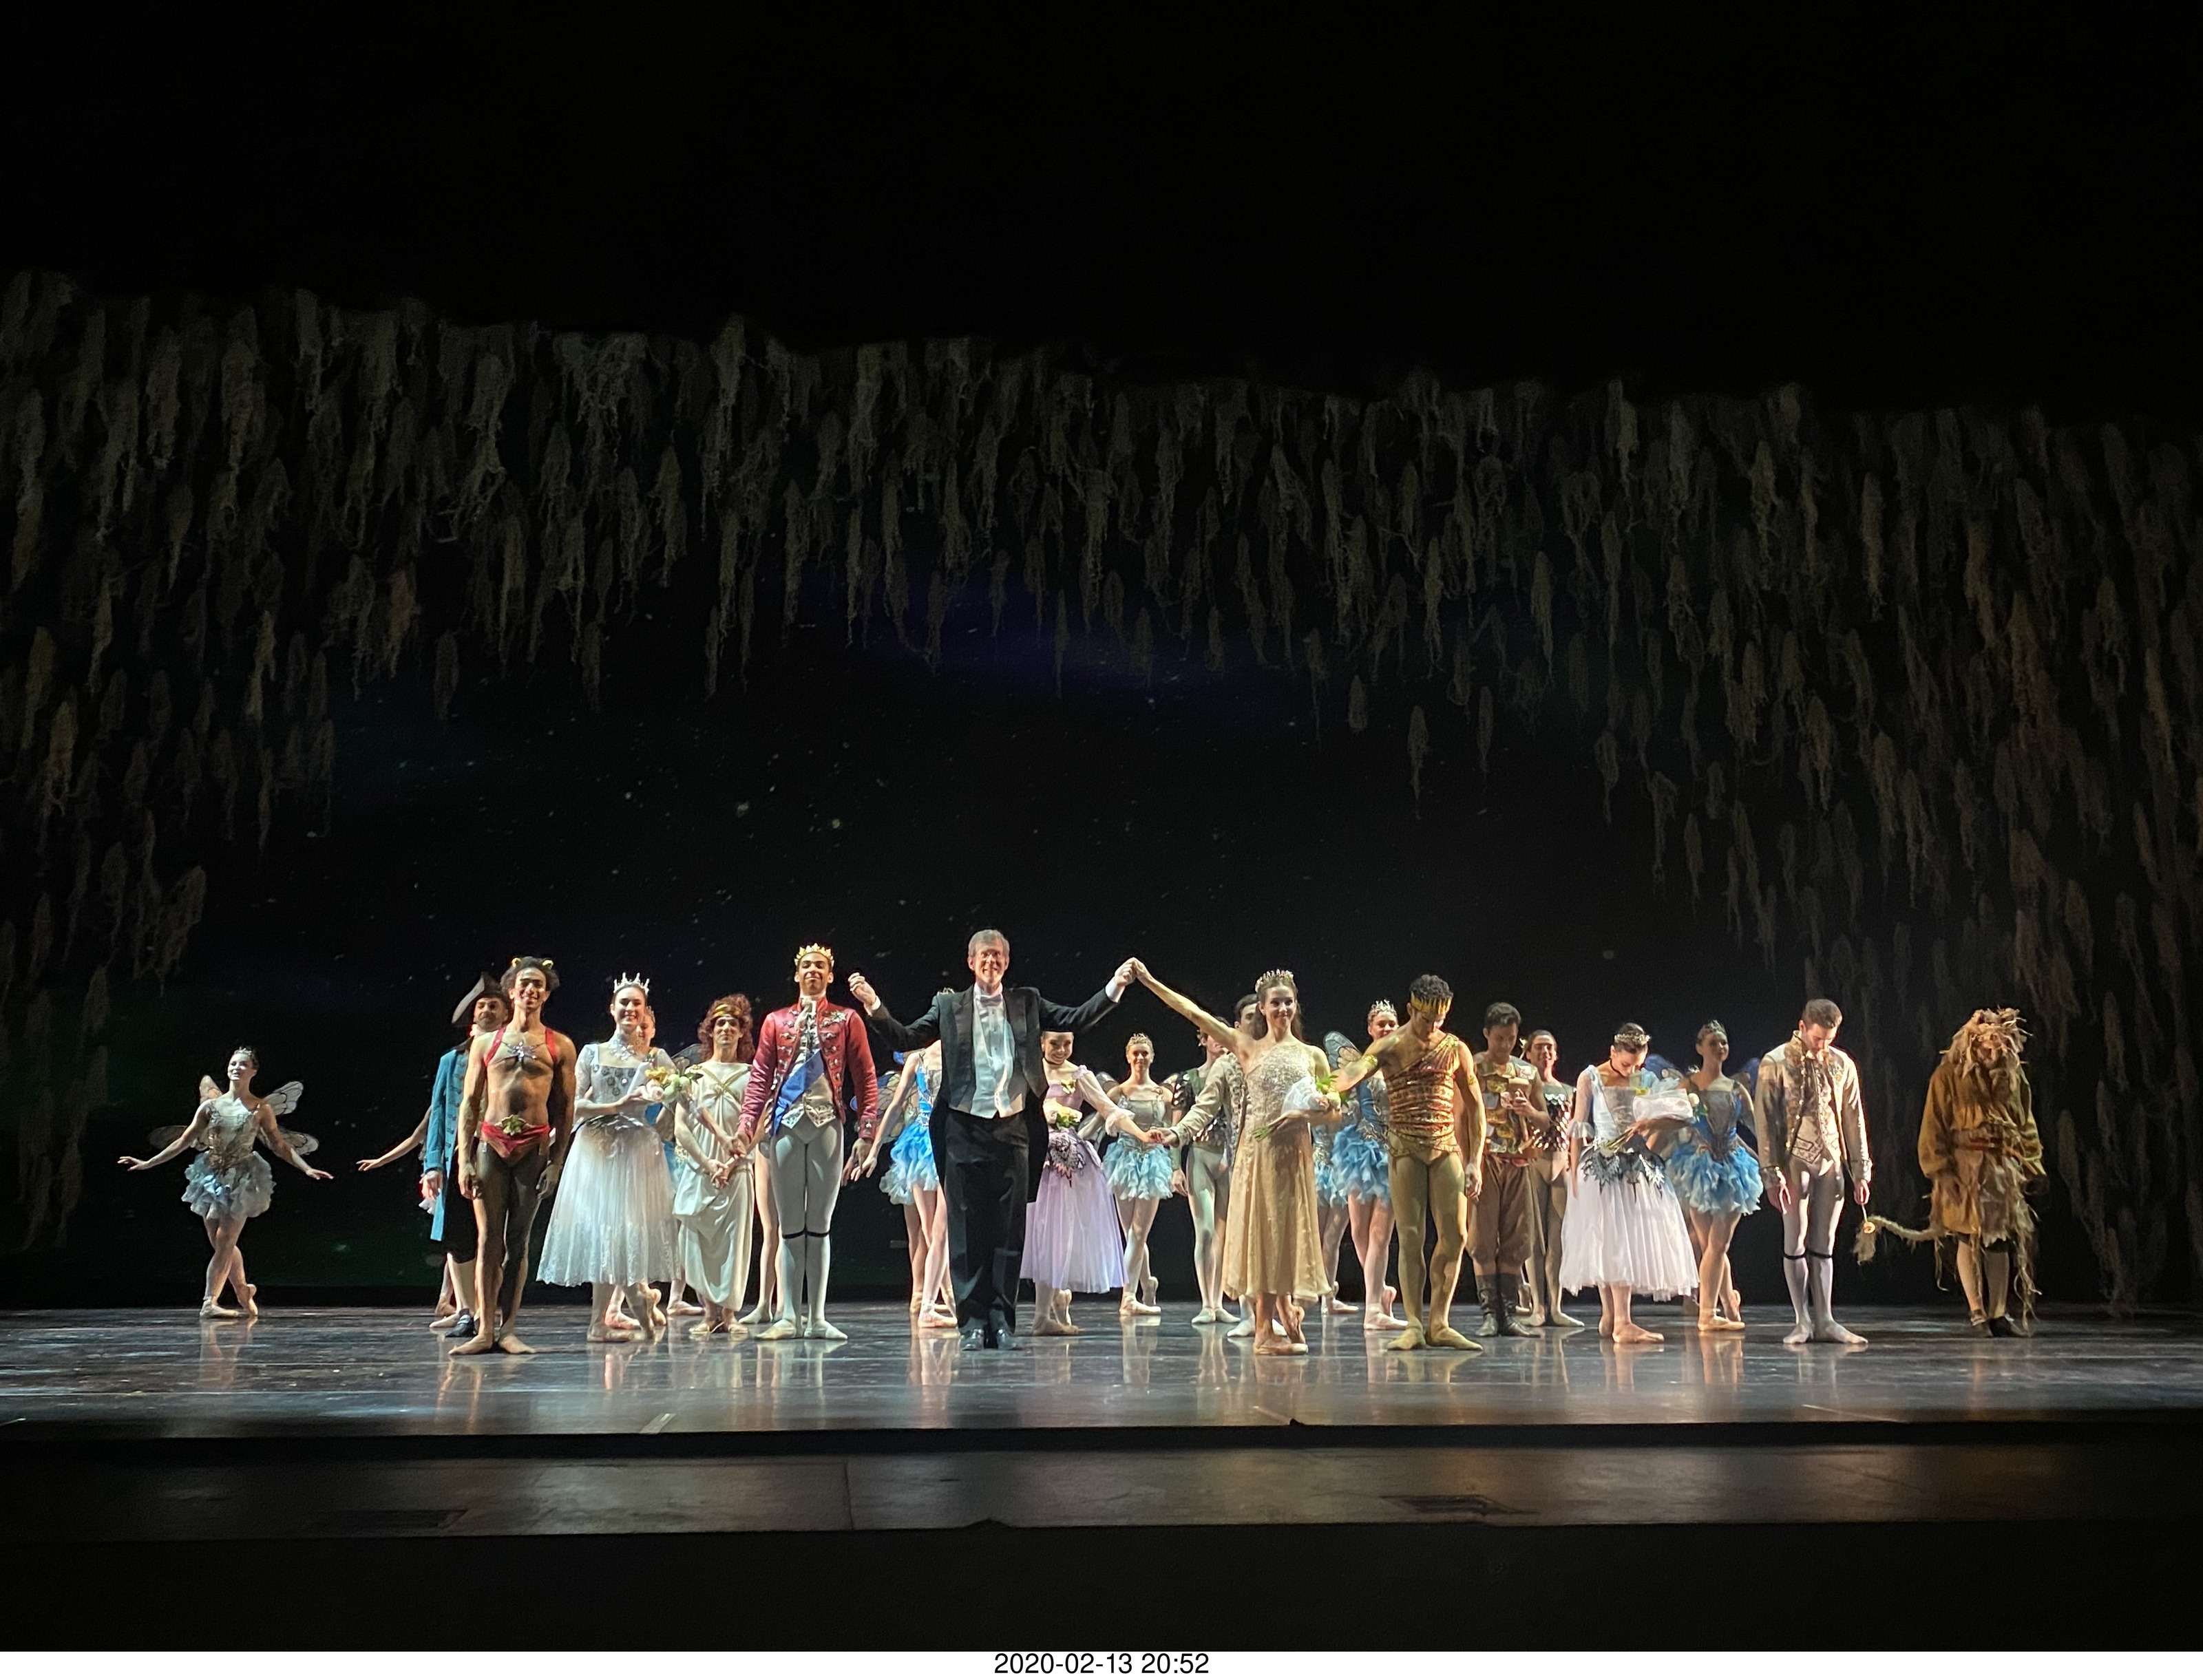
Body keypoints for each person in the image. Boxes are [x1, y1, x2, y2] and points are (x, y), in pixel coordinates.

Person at [849, 931, 1132, 1352]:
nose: (991, 962)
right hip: (963, 1128)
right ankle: (972, 1325)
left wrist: (1115, 986)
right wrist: (873, 1004)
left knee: (1008, 1230)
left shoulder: (1026, 1002)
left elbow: (1075, 1018)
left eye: (998, 956)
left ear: (1007, 961)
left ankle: (1002, 1323)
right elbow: (906, 1038)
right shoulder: (949, 1007)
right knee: (966, 1229)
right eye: (984, 955)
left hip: (1014, 1127)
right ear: (970, 961)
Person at [1131, 962, 1340, 1357]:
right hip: (1258, 1154)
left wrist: (1307, 1111)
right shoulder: (1246, 1048)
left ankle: (1285, 1310)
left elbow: (1334, 1112)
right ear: (1262, 1008)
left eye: (1289, 1002)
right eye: (1275, 1003)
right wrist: (1150, 981)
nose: (1283, 1009)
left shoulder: (1312, 1055)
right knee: (1264, 1233)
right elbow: (1194, 1013)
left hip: (1295, 1155)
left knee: (1289, 1233)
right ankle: (1263, 1330)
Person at [120, 1047, 332, 1317]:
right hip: (211, 1176)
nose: (236, 1068)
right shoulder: (210, 1107)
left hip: (242, 1178)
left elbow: (279, 1145)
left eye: (243, 1064)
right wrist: (148, 1162)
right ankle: (242, 1289)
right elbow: (184, 1141)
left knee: (225, 1241)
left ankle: (210, 1302)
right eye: (233, 1064)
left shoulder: (260, 1108)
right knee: (220, 1243)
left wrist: (306, 1168)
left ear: (253, 1071)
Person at [1334, 974, 1484, 1352]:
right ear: (1411, 1009)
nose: (1432, 1026)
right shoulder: (1391, 1045)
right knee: (1411, 1236)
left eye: (1439, 1019)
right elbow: (1357, 1070)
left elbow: (1476, 1107)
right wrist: (1328, 1088)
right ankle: (1415, 1323)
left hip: (1445, 1146)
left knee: (1456, 1236)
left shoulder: (1455, 1048)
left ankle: (1440, 1322)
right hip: (1405, 1150)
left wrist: (1475, 1161)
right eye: (1425, 1018)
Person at [355, 974, 511, 1338]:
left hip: (498, 1154)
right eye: (482, 1006)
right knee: (457, 1238)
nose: (487, 1010)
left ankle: (488, 1310)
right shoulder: (451, 1061)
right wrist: (433, 1165)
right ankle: (466, 1311)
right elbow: (439, 1114)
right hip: (458, 1157)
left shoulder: (511, 1056)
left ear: (506, 1014)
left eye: (494, 1005)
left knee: (493, 1238)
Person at [738, 944, 881, 1341]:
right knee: (788, 1225)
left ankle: (817, 1317)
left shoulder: (847, 1019)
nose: (813, 971)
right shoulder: (776, 1021)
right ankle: (788, 1317)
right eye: (806, 966)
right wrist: (746, 1126)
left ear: (830, 976)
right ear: (797, 974)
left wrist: (867, 1132)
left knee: (819, 1225)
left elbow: (866, 1076)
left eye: (820, 966)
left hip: (827, 1126)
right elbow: (760, 1077)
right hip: (785, 1126)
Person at [537, 975, 679, 1343]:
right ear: (612, 1008)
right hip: (598, 1151)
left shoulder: (656, 1058)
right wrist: (616, 1106)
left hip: (637, 1153)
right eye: (624, 1003)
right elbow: (573, 1107)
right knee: (605, 1232)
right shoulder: (592, 1053)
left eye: (637, 1004)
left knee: (627, 1229)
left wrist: (663, 1122)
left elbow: (680, 1100)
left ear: (645, 1011)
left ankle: (628, 1303)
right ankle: (610, 1316)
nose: (630, 1009)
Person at [451, 957, 578, 1355]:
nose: (531, 990)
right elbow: (469, 1103)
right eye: (525, 983)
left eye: (539, 984)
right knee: (488, 1239)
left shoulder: (559, 1045)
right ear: (512, 991)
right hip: (491, 1145)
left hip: (533, 1148)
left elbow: (566, 1109)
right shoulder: (486, 1043)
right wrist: (465, 1159)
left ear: (546, 993)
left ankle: (508, 1329)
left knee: (518, 1242)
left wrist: (557, 1161)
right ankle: (484, 1329)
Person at [1559, 1023, 1700, 1343]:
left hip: (1636, 1167)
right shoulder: (1591, 1077)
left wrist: (1652, 1121)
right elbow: (1578, 1127)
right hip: (1603, 1167)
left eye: (1638, 1064)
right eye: (1626, 1064)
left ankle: (1615, 1319)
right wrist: (1574, 1172)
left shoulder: (1646, 1079)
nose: (1632, 1071)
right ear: (1613, 1052)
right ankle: (1619, 1320)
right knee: (1610, 1239)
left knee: (1623, 1239)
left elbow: (1679, 1117)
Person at [1915, 1008, 2044, 1336]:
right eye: (1987, 1046)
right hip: (1965, 1169)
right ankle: (1977, 1312)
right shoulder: (1948, 1076)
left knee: (1999, 1239)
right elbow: (1933, 1127)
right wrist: (1942, 1172)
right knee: (1968, 1236)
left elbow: (2025, 1121)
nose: (1992, 1053)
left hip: (2001, 1170)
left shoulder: (2013, 1077)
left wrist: (2031, 1165)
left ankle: (1999, 1313)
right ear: (1973, 1044)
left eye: (1999, 1047)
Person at [1753, 998, 1873, 1346]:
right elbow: (1766, 1120)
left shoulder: (1842, 1063)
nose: (1823, 1045)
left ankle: (1826, 1319)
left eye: (1829, 1039)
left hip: (1831, 1159)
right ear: (1802, 1027)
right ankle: (1801, 1319)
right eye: (1818, 1038)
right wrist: (1771, 1173)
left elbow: (1853, 1117)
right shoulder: (1776, 1062)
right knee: (1796, 1238)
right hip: (1795, 1160)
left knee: (1825, 1243)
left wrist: (1860, 1169)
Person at [1026, 1031, 1150, 1335]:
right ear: (1042, 1042)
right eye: (1054, 1044)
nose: (1061, 1050)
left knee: (1057, 1235)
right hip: (1035, 1159)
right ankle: (1056, 1298)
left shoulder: (1079, 1076)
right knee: (1038, 1234)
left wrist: (1142, 1134)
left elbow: (1109, 1109)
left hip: (1066, 1165)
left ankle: (1044, 1313)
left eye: (1067, 1044)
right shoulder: (1029, 1070)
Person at [1657, 1021, 1762, 1332]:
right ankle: (1720, 1306)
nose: (1720, 1047)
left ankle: (1713, 1310)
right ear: (1700, 1048)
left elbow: (1758, 1129)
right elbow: (1671, 1123)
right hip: (1698, 1166)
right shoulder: (1688, 1086)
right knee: (1711, 1247)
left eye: (1723, 1042)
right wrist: (1649, 1148)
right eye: (1713, 1042)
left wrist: (1773, 1162)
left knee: (1718, 1245)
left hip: (1733, 1169)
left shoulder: (1736, 1089)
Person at [1162, 999, 1256, 1328]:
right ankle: (1207, 1303)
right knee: (1204, 1231)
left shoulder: (1240, 1069)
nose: (1219, 1040)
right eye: (1211, 1035)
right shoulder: (1189, 1080)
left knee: (1225, 1234)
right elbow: (1180, 1120)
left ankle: (1220, 1302)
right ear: (1203, 1040)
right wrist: (1175, 1166)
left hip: (1230, 1157)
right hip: (1201, 1155)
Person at [852, 1042, 956, 1328]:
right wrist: (874, 1151)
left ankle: (945, 1300)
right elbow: (895, 1106)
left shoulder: (961, 1051)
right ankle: (938, 1301)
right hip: (920, 1143)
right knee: (929, 1230)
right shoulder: (918, 1060)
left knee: (941, 1230)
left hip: (950, 1140)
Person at [671, 994, 756, 1339]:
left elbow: (758, 1126)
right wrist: (708, 1164)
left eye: (733, 1024)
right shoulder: (693, 1076)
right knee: (697, 1241)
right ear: (710, 1030)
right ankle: (709, 1314)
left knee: (735, 1243)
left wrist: (733, 1162)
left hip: (737, 1169)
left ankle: (730, 1315)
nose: (726, 1029)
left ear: (742, 1032)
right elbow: (681, 1128)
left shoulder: (752, 1075)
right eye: (720, 1023)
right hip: (701, 1167)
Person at [1323, 1003, 1402, 1332]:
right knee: (1358, 1231)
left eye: (1392, 1024)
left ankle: (1373, 1309)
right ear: (1370, 1029)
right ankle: (1380, 1291)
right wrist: (1331, 1097)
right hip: (1359, 1149)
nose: (1387, 1029)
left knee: (1380, 1233)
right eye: (1381, 1024)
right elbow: (1337, 1088)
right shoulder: (1360, 1065)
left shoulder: (1404, 1065)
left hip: (1393, 1150)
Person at [1469, 1001, 1541, 1338]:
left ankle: (1509, 1314)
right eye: (1499, 1038)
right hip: (1485, 1160)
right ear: (1487, 1034)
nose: (1505, 1045)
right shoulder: (1473, 1067)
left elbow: (1545, 1118)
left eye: (1511, 1039)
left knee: (1517, 1238)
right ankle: (1489, 1314)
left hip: (1517, 1161)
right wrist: (1468, 1160)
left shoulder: (1526, 1072)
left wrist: (1529, 1111)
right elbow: (1460, 1114)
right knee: (1482, 1238)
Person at [1103, 1033, 1178, 1318]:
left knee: (1138, 1232)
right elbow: (1100, 1122)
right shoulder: (1117, 1093)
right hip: (1123, 1160)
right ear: (1128, 1056)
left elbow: (1175, 1129)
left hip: (1152, 1164)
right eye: (1135, 1053)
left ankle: (1128, 1297)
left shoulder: (1163, 1095)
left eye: (1145, 1053)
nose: (1140, 1058)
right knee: (1131, 1235)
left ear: (1152, 1057)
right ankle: (1148, 1282)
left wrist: (1175, 1162)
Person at [1521, 1028, 1581, 1328]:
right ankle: (1537, 1306)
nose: (1545, 1052)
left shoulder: (1569, 1091)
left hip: (1560, 1164)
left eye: (1550, 1048)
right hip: (1534, 1163)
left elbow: (1574, 1130)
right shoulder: (1524, 1089)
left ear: (1556, 1055)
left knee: (1557, 1241)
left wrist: (1574, 1164)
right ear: (1528, 1053)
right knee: (1535, 1240)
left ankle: (1556, 1306)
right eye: (1539, 1047)